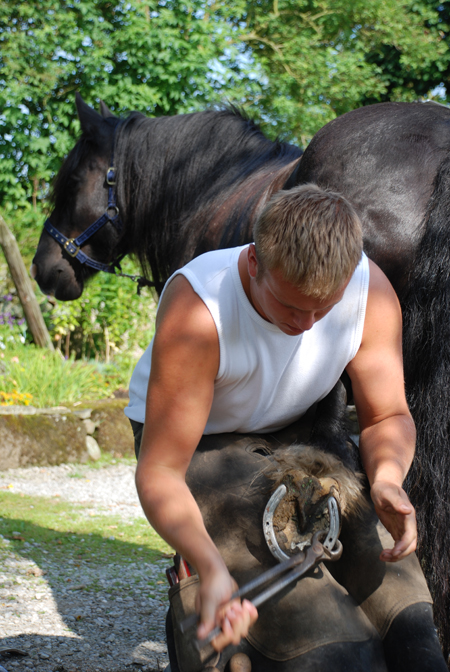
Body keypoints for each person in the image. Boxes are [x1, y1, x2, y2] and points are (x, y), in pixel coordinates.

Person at [125, 183, 418, 652]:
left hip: (293, 421)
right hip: (202, 436)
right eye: (290, 305)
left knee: (412, 622)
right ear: (254, 262)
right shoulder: (201, 310)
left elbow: (386, 416)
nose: (305, 324)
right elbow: (159, 473)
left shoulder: (370, 292)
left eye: (323, 309)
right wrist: (211, 567)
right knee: (315, 637)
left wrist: (387, 477)